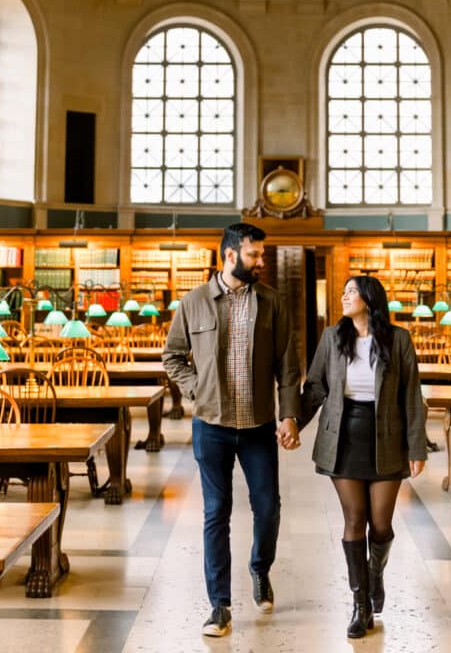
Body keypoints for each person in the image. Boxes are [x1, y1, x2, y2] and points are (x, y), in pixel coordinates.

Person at [162, 222, 301, 638]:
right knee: (215, 513)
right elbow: (172, 357)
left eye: (261, 254)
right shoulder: (193, 302)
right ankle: (219, 605)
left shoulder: (273, 303)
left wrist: (288, 416)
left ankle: (260, 570)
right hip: (212, 426)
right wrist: (196, 390)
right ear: (229, 255)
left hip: (258, 425)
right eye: (254, 254)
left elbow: (288, 368)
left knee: (268, 508)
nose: (261, 261)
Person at [300, 275, 426, 639]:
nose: (344, 297)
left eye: (351, 292)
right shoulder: (332, 337)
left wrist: (417, 447)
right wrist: (292, 422)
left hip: (387, 436)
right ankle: (361, 605)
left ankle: (375, 577)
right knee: (354, 519)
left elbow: (411, 395)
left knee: (381, 524)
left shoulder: (398, 339)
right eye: (343, 292)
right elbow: (316, 387)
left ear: (370, 299)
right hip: (343, 437)